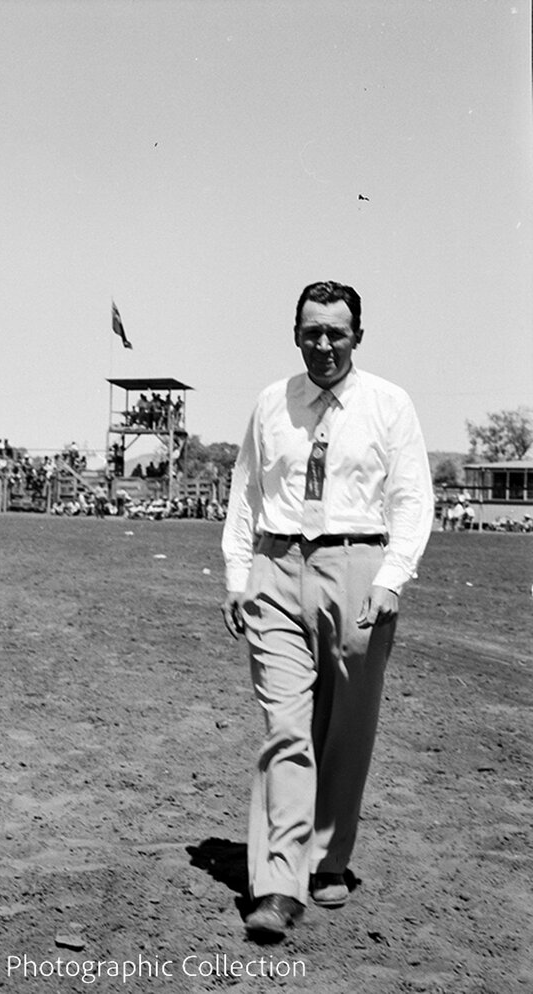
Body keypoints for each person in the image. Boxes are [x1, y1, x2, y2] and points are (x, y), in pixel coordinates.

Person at [220, 281, 433, 938]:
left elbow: (411, 501)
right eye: (311, 331)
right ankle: (280, 882)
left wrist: (392, 578)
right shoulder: (271, 403)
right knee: (286, 728)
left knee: (348, 724)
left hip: (360, 574)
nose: (322, 344)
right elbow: (246, 495)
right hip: (277, 570)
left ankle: (329, 859)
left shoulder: (389, 404)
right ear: (296, 334)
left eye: (335, 333)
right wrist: (237, 574)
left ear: (356, 337)